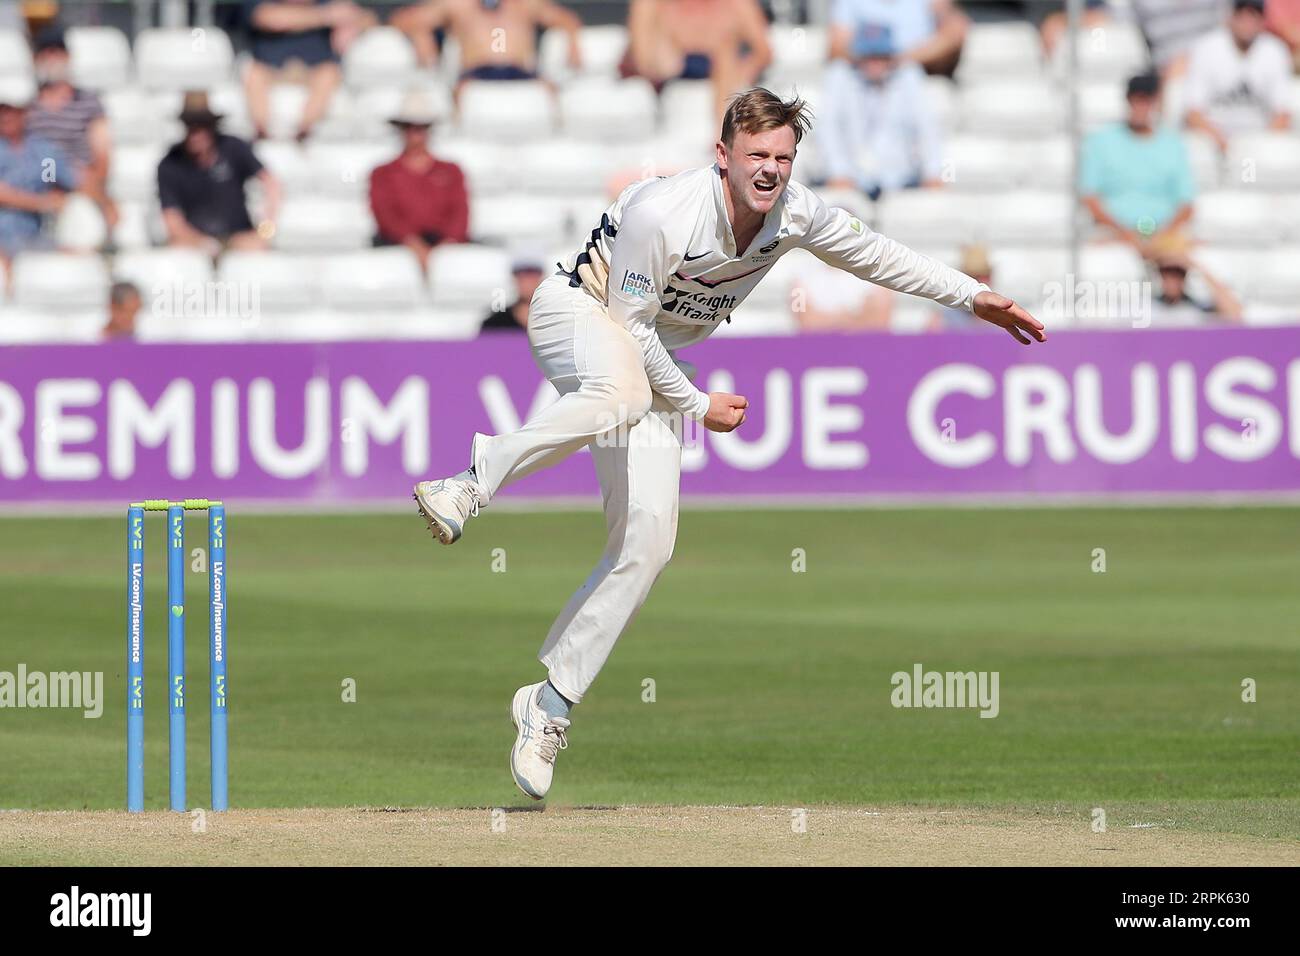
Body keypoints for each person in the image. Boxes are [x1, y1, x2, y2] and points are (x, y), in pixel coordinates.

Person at [411, 87, 1045, 801]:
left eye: (783, 156)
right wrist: (697, 404)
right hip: (579, 313)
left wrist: (972, 295)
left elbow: (874, 255)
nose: (770, 170)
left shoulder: (794, 210)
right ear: (723, 155)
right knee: (618, 391)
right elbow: (631, 326)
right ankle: (470, 481)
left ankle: (549, 705)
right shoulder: (665, 211)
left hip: (653, 358)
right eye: (756, 156)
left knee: (649, 543)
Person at [819, 24, 943, 199]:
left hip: (901, 179)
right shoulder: (840, 75)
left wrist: (932, 172)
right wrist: (838, 171)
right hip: (852, 178)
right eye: (869, 55)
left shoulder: (909, 75)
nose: (875, 62)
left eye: (881, 56)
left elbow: (927, 127)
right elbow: (828, 128)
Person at [1081, 73, 1195, 252]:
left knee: (1184, 258)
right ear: (1128, 101)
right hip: (1114, 234)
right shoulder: (1101, 141)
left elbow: (1186, 204)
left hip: (1163, 234)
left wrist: (1161, 236)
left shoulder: (1173, 145)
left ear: (1155, 103)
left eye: (1146, 101)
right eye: (1136, 101)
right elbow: (1089, 197)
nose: (1140, 107)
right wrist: (1124, 233)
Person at [158, 93, 281, 254]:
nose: (196, 134)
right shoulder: (170, 163)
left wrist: (265, 230)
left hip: (238, 239)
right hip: (194, 242)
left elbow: (271, 184)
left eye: (201, 126)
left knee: (258, 249)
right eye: (190, 127)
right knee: (176, 249)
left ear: (212, 126)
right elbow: (172, 220)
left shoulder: (234, 148)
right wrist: (202, 243)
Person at [25, 27, 117, 233]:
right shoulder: (28, 108)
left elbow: (102, 158)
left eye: (57, 52)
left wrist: (85, 186)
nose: (51, 58)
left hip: (80, 185)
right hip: (41, 187)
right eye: (45, 52)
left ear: (67, 56)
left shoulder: (88, 103)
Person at [242, 0, 376, 140]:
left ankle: (304, 132)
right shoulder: (326, 10)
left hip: (313, 71)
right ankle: (262, 133)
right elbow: (269, 18)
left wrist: (349, 26)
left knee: (329, 74)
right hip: (271, 70)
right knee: (253, 73)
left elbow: (358, 16)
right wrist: (325, 15)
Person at [623, 0, 772, 119]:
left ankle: (722, 132)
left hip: (723, 75)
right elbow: (642, 57)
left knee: (726, 52)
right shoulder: (655, 5)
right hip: (669, 71)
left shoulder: (736, 4)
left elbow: (763, 52)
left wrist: (741, 78)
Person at [369, 92, 468, 266]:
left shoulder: (451, 171)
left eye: (420, 127)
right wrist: (412, 244)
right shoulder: (382, 173)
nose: (415, 134)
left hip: (443, 245)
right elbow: (386, 215)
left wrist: (445, 247)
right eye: (409, 127)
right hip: (398, 246)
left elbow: (460, 213)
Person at [392, 0, 582, 85]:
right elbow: (404, 19)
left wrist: (573, 42)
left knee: (549, 88)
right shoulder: (458, 5)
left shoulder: (526, 5)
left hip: (522, 72)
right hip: (475, 75)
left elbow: (567, 20)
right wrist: (420, 33)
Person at [1184, 0, 1292, 150]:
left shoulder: (1275, 50)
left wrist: (1254, 148)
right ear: (1230, 17)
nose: (1247, 21)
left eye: (1253, 14)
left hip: (1257, 144)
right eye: (1241, 14)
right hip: (1214, 142)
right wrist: (1223, 143)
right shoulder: (1206, 48)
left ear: (1262, 20)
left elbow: (1283, 114)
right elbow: (1193, 113)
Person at [0, 78, 76, 263]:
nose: (6, 116)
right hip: (3, 238)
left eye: (12, 110)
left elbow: (52, 181)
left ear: (24, 112)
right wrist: (41, 202)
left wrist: (53, 197)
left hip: (35, 236)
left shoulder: (43, 150)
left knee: (75, 259)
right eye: (2, 111)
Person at [829, 0, 968, 75]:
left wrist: (897, 61)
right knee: (838, 73)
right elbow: (837, 47)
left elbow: (956, 31)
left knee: (910, 74)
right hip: (862, 78)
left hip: (918, 73)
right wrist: (874, 59)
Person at [1148, 235, 1243, 324]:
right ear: (1160, 274)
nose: (1172, 279)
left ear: (1185, 275)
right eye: (1166, 272)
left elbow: (1234, 313)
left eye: (1178, 273)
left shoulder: (1197, 307)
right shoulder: (1149, 307)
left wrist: (1195, 265)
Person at [480, 255, 544, 332]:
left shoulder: (554, 318)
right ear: (515, 279)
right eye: (522, 277)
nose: (528, 283)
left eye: (532, 276)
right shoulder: (496, 323)